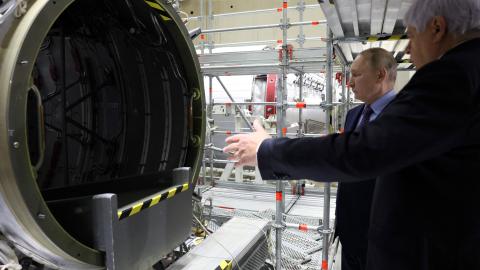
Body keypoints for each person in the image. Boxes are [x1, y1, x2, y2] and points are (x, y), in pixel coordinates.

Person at [223, 0, 480, 269]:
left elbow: (360, 152)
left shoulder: (456, 75)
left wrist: (268, 150)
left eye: (412, 36)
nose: (407, 48)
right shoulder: (466, 74)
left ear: (437, 28)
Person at [336, 48, 397, 270]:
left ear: (380, 75)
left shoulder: (402, 116)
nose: (349, 83)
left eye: (356, 75)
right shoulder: (353, 115)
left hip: (385, 239)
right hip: (349, 231)